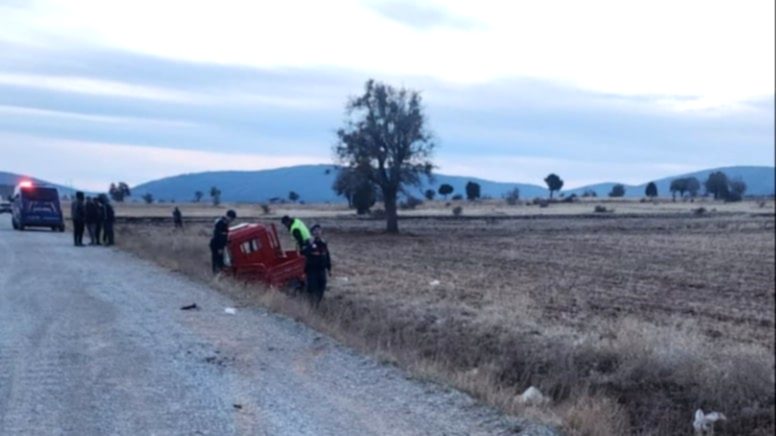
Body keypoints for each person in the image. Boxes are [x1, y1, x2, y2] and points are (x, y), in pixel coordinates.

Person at [302, 224, 331, 306]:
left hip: (322, 270)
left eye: (319, 230)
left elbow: (327, 256)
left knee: (321, 288)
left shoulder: (324, 243)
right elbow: (303, 253)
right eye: (315, 230)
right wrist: (310, 246)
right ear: (312, 232)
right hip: (312, 270)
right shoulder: (308, 242)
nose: (317, 232)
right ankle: (311, 306)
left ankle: (316, 305)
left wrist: (329, 268)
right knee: (312, 289)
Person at [209, 210, 236, 274]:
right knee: (218, 261)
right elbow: (219, 237)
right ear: (228, 216)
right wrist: (220, 248)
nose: (231, 221)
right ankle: (217, 274)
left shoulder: (221, 221)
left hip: (215, 244)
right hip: (217, 244)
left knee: (217, 260)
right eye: (231, 219)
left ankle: (217, 273)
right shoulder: (222, 223)